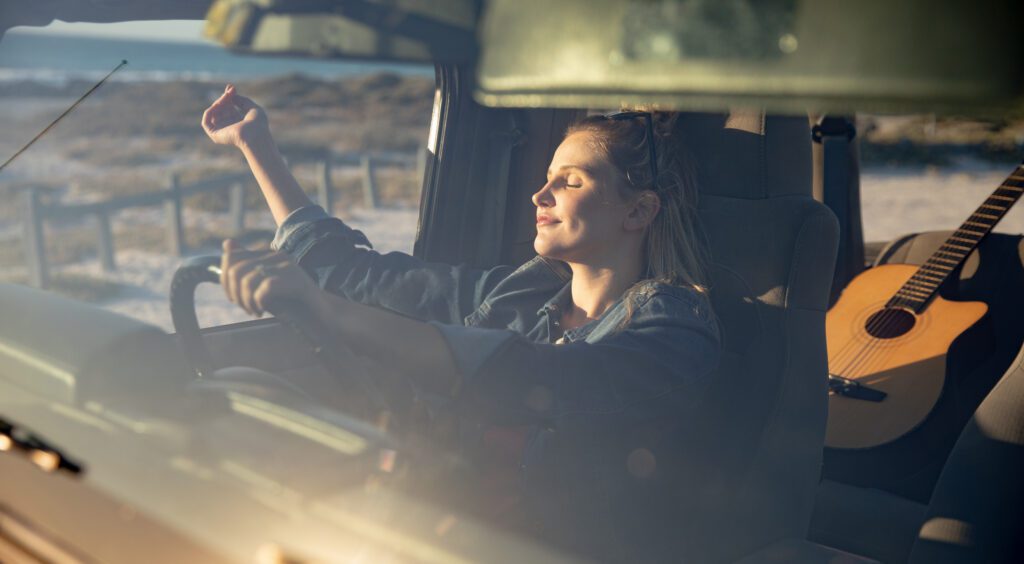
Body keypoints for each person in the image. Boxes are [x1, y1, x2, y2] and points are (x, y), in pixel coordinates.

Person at [201, 84, 720, 559]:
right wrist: (256, 145)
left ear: (638, 211)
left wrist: (333, 314)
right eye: (545, 179)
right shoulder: (519, 292)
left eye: (571, 182)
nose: (540, 196)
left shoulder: (674, 335)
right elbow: (356, 273)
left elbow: (532, 379)